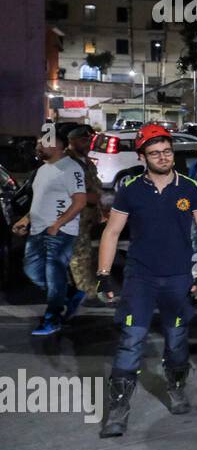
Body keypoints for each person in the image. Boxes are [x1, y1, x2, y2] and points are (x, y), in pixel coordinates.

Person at [94, 124, 197, 437]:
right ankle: (118, 410)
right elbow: (111, 232)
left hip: (179, 278)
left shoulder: (190, 187)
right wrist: (104, 276)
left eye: (167, 151)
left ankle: (176, 387)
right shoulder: (131, 190)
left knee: (176, 340)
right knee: (131, 339)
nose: (163, 157)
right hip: (141, 279)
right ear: (142, 156)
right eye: (155, 153)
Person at [12, 126, 87, 336]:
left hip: (59, 232)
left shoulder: (71, 168)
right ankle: (71, 294)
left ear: (57, 145)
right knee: (33, 271)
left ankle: (52, 318)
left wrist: (57, 224)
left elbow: (80, 201)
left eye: (41, 143)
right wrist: (25, 220)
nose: (37, 147)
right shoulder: (42, 170)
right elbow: (39, 200)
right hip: (37, 230)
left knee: (54, 276)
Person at [64, 125, 103, 314]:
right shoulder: (65, 162)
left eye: (89, 140)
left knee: (83, 255)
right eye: (83, 140)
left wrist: (98, 208)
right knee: (80, 257)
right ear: (72, 141)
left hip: (86, 218)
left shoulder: (85, 161)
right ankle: (87, 294)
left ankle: (79, 292)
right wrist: (88, 198)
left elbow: (94, 185)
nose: (88, 144)